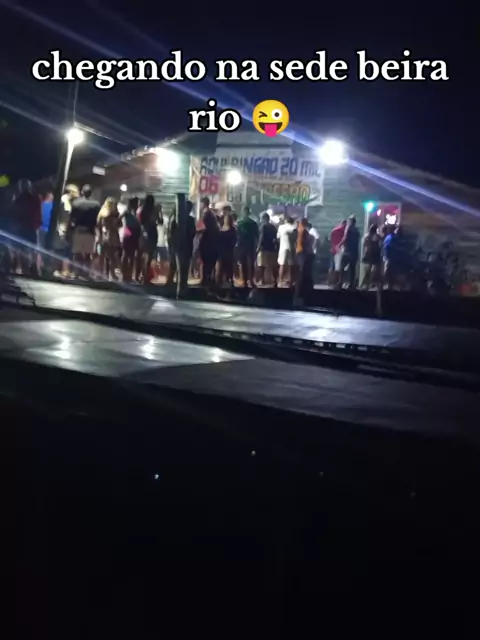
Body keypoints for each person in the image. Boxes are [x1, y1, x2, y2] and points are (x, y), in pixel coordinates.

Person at [11, 179, 42, 276]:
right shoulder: (34, 198)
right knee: (31, 248)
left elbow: (15, 213)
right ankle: (31, 267)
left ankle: (22, 266)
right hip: (30, 226)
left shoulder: (18, 199)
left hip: (23, 226)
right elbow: (38, 212)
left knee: (20, 248)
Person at [70, 184, 100, 277]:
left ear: (82, 192)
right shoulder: (96, 205)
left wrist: (69, 230)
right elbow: (97, 220)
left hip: (78, 230)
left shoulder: (76, 203)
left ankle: (76, 272)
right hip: (90, 231)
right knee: (88, 254)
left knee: (77, 253)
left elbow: (71, 218)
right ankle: (86, 273)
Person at [97, 197, 121, 280]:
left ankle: (102, 274)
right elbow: (119, 225)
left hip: (105, 236)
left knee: (104, 256)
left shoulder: (103, 213)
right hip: (111, 237)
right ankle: (111, 274)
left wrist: (99, 236)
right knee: (112, 257)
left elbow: (99, 225)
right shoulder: (114, 214)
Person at [199, 196, 219, 289]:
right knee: (209, 262)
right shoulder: (212, 214)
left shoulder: (206, 214)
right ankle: (209, 279)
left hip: (207, 241)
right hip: (212, 242)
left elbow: (203, 228)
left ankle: (205, 280)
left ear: (204, 204)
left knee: (205, 262)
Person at [137, 194, 158, 283]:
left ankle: (141, 275)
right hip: (152, 232)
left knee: (142, 255)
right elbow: (158, 221)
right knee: (149, 256)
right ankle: (145, 276)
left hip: (144, 232)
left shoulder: (141, 210)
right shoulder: (153, 210)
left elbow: (140, 222)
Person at [236, 206, 259, 288]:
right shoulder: (253, 223)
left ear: (243, 212)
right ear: (249, 213)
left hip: (242, 245)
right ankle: (251, 281)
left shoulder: (239, 223)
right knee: (251, 264)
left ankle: (245, 281)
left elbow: (237, 235)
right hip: (250, 245)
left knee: (243, 264)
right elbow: (257, 236)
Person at [294, 217, 314, 305]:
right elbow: (303, 242)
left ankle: (299, 293)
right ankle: (302, 293)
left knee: (301, 272)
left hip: (300, 252)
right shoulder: (304, 231)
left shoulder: (299, 230)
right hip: (303, 252)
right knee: (303, 271)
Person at [120, 196, 140, 283]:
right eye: (137, 203)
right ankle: (124, 275)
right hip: (129, 234)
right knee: (126, 255)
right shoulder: (127, 212)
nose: (138, 205)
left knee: (131, 256)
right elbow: (119, 219)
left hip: (134, 235)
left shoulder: (135, 212)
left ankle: (129, 275)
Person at [216, 208, 237, 290]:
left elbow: (234, 241)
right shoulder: (221, 229)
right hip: (222, 252)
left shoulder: (232, 230)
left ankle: (228, 286)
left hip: (228, 252)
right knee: (219, 271)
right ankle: (219, 286)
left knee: (228, 270)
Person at [339, 215, 360, 289]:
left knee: (342, 266)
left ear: (350, 221)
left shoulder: (348, 228)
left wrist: (339, 245)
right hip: (354, 252)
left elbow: (345, 238)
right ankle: (351, 284)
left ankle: (340, 283)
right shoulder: (357, 231)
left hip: (347, 251)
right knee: (352, 269)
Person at [257, 212, 278, 286]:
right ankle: (275, 281)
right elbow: (275, 238)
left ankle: (262, 280)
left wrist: (258, 247)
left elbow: (261, 237)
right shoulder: (273, 227)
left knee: (262, 265)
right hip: (272, 248)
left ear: (264, 218)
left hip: (264, 248)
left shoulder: (263, 226)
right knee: (273, 266)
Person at [361, 223, 382, 289]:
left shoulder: (366, 236)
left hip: (368, 253)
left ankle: (365, 284)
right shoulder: (377, 236)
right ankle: (373, 284)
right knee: (375, 270)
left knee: (367, 270)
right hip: (375, 254)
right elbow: (380, 245)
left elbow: (364, 245)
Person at [276, 215, 296, 286]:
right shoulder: (293, 227)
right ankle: (290, 281)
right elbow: (295, 238)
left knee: (282, 264)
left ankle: (280, 280)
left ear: (286, 220)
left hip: (282, 248)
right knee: (291, 265)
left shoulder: (281, 227)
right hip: (291, 248)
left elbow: (278, 237)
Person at [329, 219, 346, 288]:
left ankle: (331, 282)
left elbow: (331, 240)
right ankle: (337, 283)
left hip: (334, 250)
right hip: (340, 250)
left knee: (332, 267)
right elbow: (344, 240)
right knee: (338, 267)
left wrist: (334, 247)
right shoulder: (344, 231)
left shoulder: (334, 230)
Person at [156, 206, 169, 277]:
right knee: (165, 258)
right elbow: (167, 231)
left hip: (156, 242)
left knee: (156, 259)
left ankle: (157, 273)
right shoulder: (166, 219)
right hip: (163, 242)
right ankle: (163, 273)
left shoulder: (153, 219)